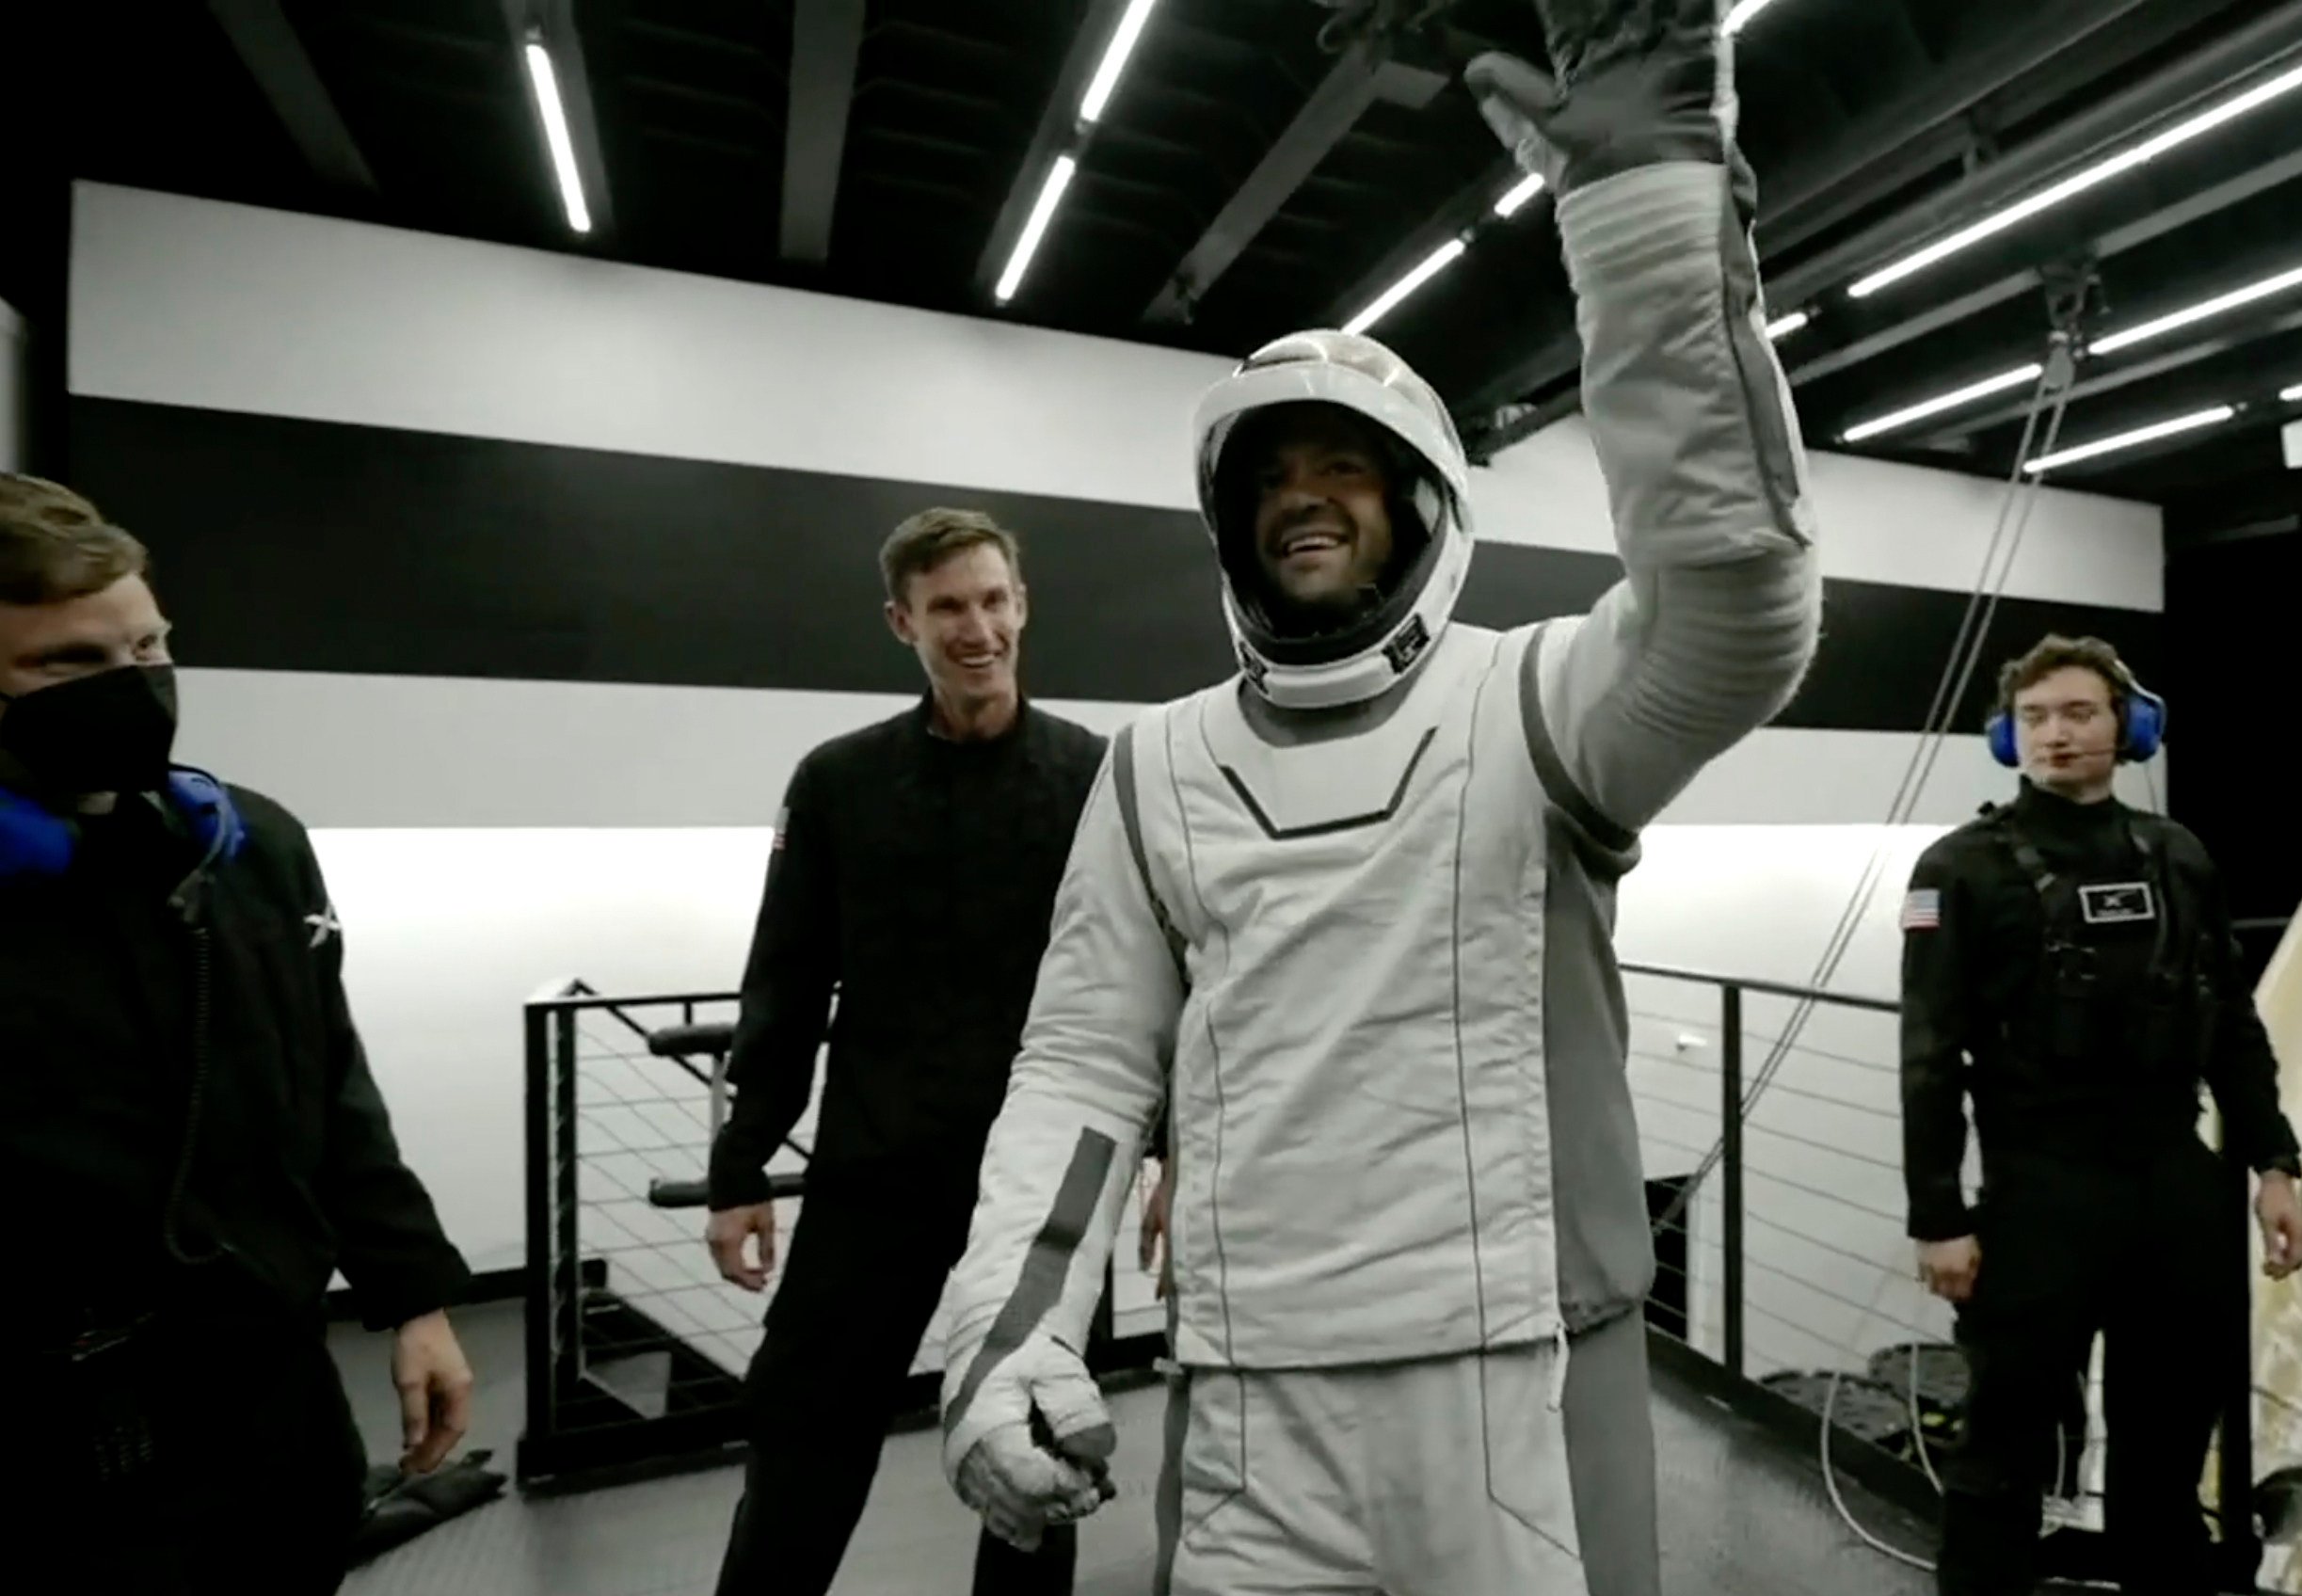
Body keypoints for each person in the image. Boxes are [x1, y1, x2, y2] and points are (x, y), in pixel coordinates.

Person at [928, 5, 1824, 1589]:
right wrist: (1005, 1341)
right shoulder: (1153, 768)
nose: (1300, 500)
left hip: (1521, 1380)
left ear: (1419, 502)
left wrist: (1647, 226)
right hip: (1247, 1398)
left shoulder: (1532, 699)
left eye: (1338, 467)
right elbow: (1076, 1073)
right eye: (1269, 479)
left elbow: (1737, 600)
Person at [0, 472, 475, 1592]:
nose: (132, 687)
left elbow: (335, 1093)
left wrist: (413, 1295)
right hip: (56, 1430)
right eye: (70, 663)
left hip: (270, 1393)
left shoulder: (249, 848)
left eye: (150, 649)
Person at [703, 508, 1108, 1596]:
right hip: (874, 1173)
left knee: (1035, 1457)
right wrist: (740, 1166)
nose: (975, 628)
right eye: (946, 609)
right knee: (801, 1439)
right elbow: (783, 984)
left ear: (1021, 605)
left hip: (1033, 1189)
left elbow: (1145, 987)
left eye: (991, 600)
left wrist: (1167, 1149)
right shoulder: (837, 783)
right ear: (902, 623)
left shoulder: (1096, 778)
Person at [1898, 633, 2302, 1596]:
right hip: (2040, 1191)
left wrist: (2273, 1165)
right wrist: (1940, 1218)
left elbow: (2232, 1024)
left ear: (2128, 726)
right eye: (2035, 718)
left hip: (2176, 1187)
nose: (2056, 734)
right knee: (2004, 1442)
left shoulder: (2179, 857)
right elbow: (1929, 1054)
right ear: (2009, 735)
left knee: (2166, 1448)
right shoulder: (1958, 869)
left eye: (2079, 712)